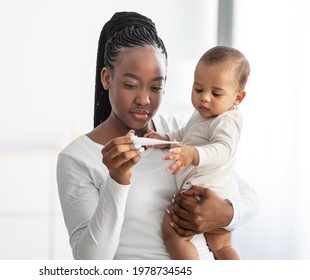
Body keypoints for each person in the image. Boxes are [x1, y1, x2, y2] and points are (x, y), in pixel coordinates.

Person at [56, 11, 259, 260]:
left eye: (156, 87)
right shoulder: (77, 158)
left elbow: (248, 196)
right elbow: (91, 263)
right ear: (107, 78)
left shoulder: (175, 132)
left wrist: (226, 214)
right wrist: (117, 181)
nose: (144, 99)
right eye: (130, 85)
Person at [145, 46, 250, 260]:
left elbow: (223, 150)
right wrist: (166, 140)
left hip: (207, 193)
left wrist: (192, 154)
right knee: (221, 248)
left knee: (172, 232)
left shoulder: (227, 120)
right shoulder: (201, 115)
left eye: (216, 93)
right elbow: (185, 134)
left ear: (237, 98)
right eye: (198, 89)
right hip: (213, 192)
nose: (205, 98)